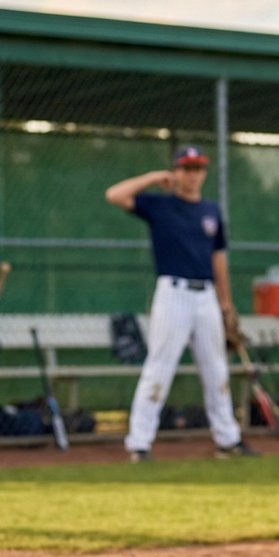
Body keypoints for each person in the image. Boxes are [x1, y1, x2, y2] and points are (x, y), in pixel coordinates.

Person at [104, 145, 258, 461]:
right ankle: (139, 443)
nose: (192, 174)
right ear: (175, 171)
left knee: (216, 370)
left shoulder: (211, 211)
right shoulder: (160, 205)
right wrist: (150, 178)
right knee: (160, 367)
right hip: (173, 293)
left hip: (206, 298)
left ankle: (228, 441)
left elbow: (218, 259)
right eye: (186, 168)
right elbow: (114, 195)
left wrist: (225, 305)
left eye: (198, 168)